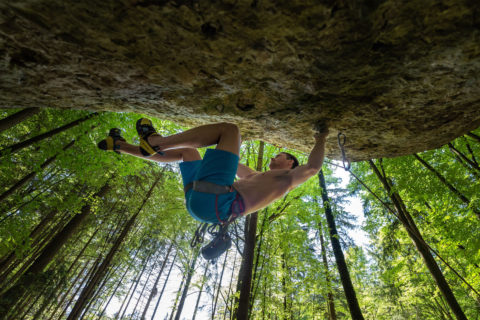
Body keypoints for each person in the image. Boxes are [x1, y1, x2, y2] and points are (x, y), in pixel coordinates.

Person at [98, 119, 328, 224]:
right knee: (188, 152)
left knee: (229, 129)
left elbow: (314, 167)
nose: (273, 156)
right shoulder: (256, 177)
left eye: (279, 155)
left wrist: (321, 137)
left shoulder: (288, 179)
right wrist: (230, 143)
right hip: (201, 202)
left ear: (290, 163)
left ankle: (156, 141)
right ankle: (118, 145)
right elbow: (228, 158)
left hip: (217, 202)